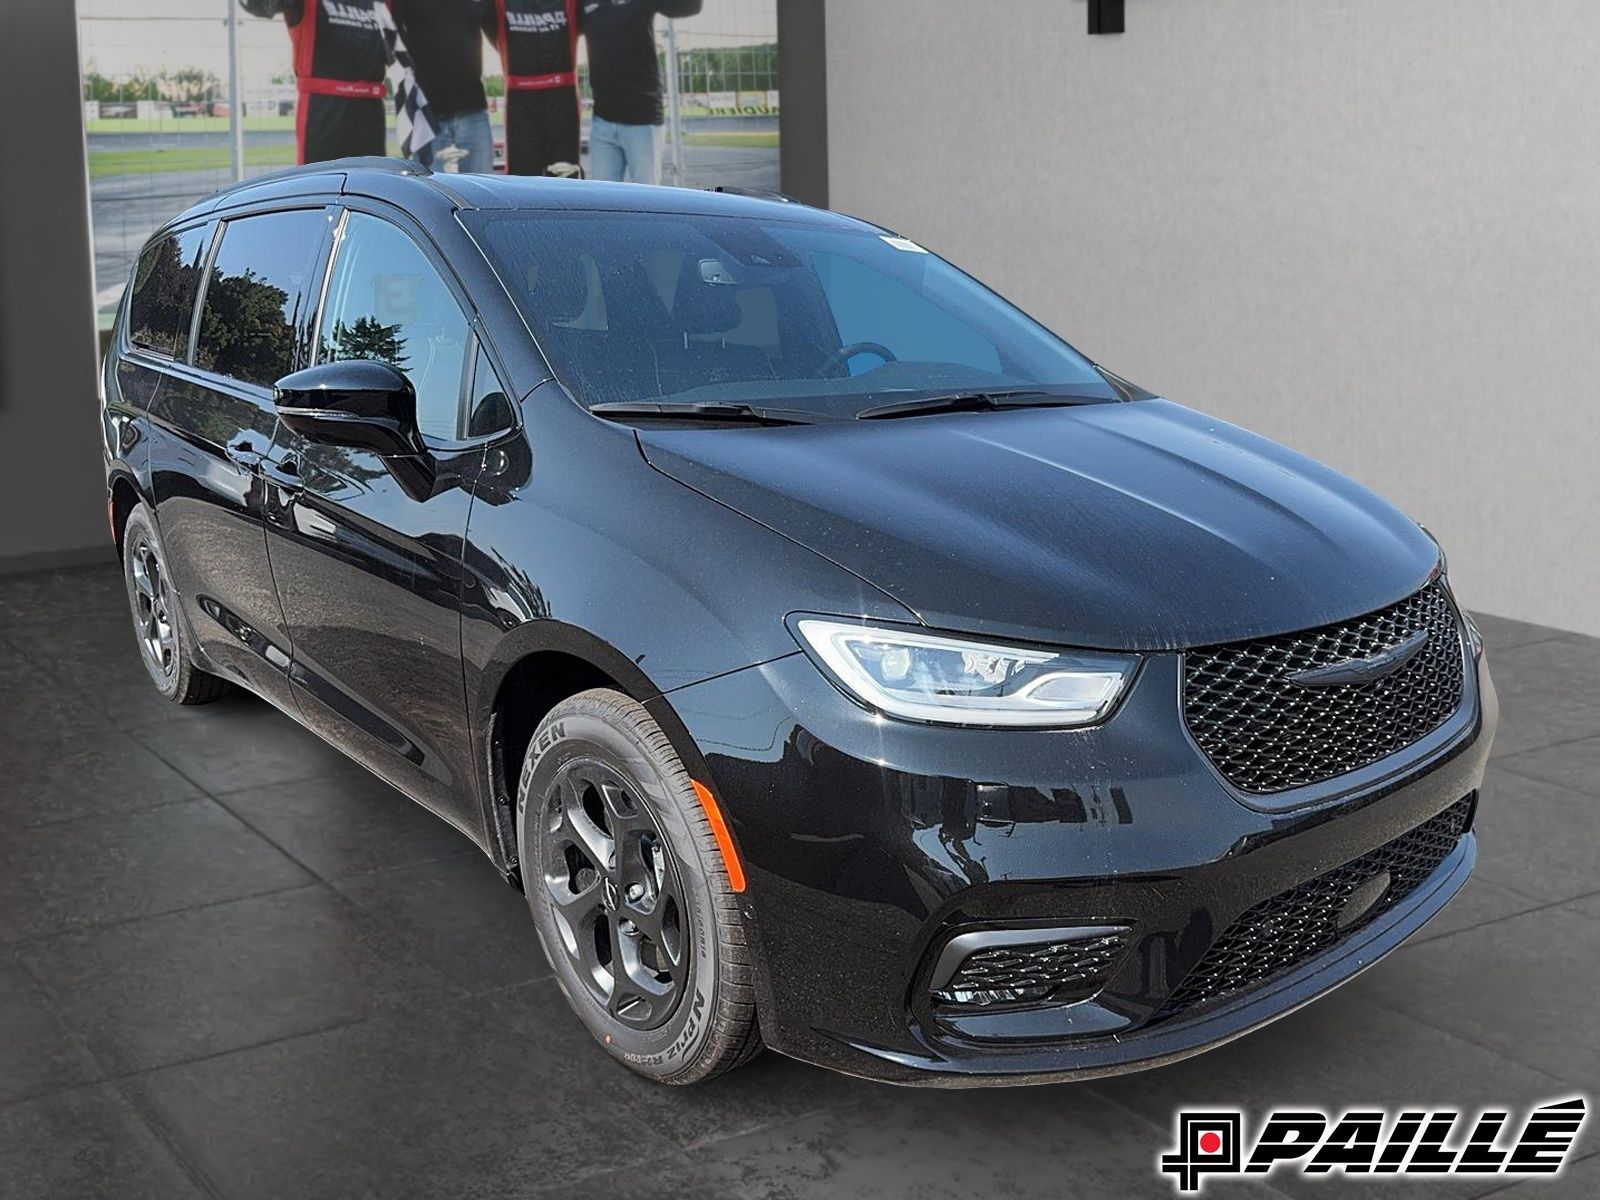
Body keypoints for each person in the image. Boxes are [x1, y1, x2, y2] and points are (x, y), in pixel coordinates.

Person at [241, 0, 387, 164]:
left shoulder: (382, 3)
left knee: (372, 184)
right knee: (319, 184)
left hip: (370, 110)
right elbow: (259, 5)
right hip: (322, 110)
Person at [581, 0, 702, 185]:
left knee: (647, 201)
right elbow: (558, 26)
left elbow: (690, 6)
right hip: (602, 121)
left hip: (642, 121)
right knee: (602, 201)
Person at [387, 0, 495, 173]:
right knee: (429, 194)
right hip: (426, 114)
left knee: (482, 192)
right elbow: (392, 39)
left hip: (473, 110)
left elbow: (501, 36)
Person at [485, 0, 583, 177]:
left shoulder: (571, 3)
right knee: (522, 181)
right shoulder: (499, 3)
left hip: (562, 100)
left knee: (566, 178)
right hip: (521, 101)